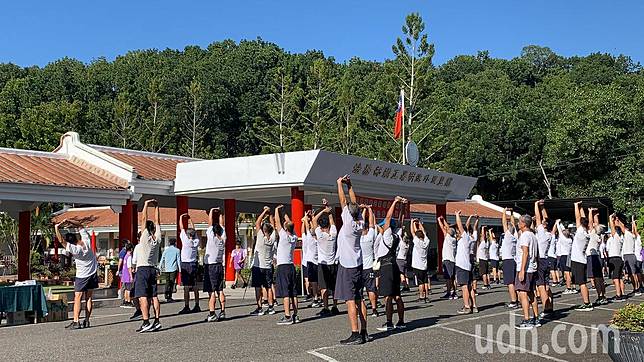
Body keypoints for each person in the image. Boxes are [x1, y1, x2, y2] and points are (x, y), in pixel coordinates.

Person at [334, 175, 369, 345]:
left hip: (347, 266)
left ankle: (355, 333)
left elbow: (343, 199)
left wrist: (340, 183)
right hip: (358, 264)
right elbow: (353, 201)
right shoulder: (360, 222)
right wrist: (350, 185)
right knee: (359, 298)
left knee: (350, 300)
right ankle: (364, 331)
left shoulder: (348, 222)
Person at [55, 219, 98, 330]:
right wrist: (69, 221)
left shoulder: (75, 249)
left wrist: (57, 227)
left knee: (78, 298)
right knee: (89, 298)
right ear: (77, 237)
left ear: (71, 242)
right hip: (92, 273)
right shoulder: (87, 241)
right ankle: (87, 320)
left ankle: (76, 321)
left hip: (82, 275)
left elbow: (61, 241)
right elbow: (81, 225)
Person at [376, 196, 407, 331]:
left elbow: (389, 219)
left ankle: (388, 322)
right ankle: (401, 321)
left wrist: (394, 202)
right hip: (394, 265)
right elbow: (400, 221)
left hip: (386, 266)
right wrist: (402, 206)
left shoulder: (387, 236)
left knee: (388, 296)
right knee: (397, 295)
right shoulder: (397, 235)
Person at [134, 199, 163, 332]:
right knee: (154, 296)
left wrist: (146, 205)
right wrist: (156, 207)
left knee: (143, 296)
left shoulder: (144, 237)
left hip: (143, 269)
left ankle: (146, 322)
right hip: (153, 268)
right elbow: (158, 222)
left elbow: (144, 218)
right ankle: (157, 320)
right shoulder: (157, 238)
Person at [274, 204, 299, 325]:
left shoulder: (284, 236)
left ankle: (287, 316)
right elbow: (289, 223)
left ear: (285, 227)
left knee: (285, 293)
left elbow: (277, 222)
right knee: (293, 292)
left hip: (283, 266)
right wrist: (283, 212)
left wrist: (276, 211)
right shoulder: (294, 237)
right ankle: (295, 315)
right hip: (291, 266)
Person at [250, 206, 277, 316]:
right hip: (268, 266)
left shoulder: (261, 237)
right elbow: (274, 226)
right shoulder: (273, 238)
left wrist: (265, 211)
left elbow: (257, 222)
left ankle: (259, 307)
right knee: (268, 287)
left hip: (258, 266)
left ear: (263, 230)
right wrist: (270, 214)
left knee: (258, 287)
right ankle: (271, 307)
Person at [514, 214, 540, 329]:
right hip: (532, 268)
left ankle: (527, 319)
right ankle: (535, 317)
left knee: (523, 294)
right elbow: (537, 254)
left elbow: (525, 252)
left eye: (519, 222)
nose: (518, 223)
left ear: (524, 224)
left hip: (525, 268)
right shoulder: (533, 236)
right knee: (531, 293)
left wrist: (522, 271)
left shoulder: (525, 236)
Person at [314, 204, 339, 317]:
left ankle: (325, 307)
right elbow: (332, 222)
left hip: (323, 264)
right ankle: (334, 306)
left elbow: (314, 220)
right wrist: (329, 212)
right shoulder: (333, 234)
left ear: (320, 225)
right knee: (334, 286)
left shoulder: (320, 235)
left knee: (324, 287)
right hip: (333, 263)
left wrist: (324, 210)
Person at [204, 208, 226, 322]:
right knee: (220, 290)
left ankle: (212, 313)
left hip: (211, 266)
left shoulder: (212, 239)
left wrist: (212, 211)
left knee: (211, 291)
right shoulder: (223, 239)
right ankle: (222, 311)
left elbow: (210, 224)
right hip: (219, 265)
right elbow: (221, 225)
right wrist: (221, 214)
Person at [571, 201, 593, 311]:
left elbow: (578, 217)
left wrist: (576, 206)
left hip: (578, 261)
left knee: (582, 283)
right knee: (582, 282)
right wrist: (581, 207)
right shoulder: (586, 233)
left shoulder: (580, 232)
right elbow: (582, 218)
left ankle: (587, 303)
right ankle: (586, 302)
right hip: (581, 259)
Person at [533, 200, 554, 317]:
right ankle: (550, 307)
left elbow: (538, 218)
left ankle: (546, 309)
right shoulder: (549, 234)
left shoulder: (542, 232)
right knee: (546, 286)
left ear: (545, 225)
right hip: (546, 260)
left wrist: (536, 205)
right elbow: (546, 218)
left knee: (541, 286)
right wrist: (543, 207)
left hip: (541, 260)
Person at [454, 210, 477, 314]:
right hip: (466, 265)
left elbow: (461, 226)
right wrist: (471, 217)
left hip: (462, 266)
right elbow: (466, 226)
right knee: (469, 286)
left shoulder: (464, 238)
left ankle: (467, 306)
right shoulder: (467, 238)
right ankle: (474, 306)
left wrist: (457, 215)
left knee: (464, 287)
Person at [178, 213, 201, 314]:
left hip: (186, 264)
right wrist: (191, 220)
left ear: (188, 235)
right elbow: (194, 230)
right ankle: (197, 304)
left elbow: (181, 227)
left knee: (186, 287)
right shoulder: (196, 241)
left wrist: (181, 217)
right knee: (195, 285)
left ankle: (187, 306)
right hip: (194, 264)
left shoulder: (185, 241)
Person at [360, 205, 379, 317]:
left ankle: (361, 309)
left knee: (360, 291)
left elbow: (361, 222)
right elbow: (371, 223)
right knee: (371, 289)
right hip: (369, 267)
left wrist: (363, 210)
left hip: (359, 267)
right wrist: (369, 209)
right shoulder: (370, 237)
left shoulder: (358, 238)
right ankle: (374, 309)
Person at [586, 208, 607, 305]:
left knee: (596, 278)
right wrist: (596, 215)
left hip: (592, 257)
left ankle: (600, 296)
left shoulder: (593, 234)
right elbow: (595, 223)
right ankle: (603, 296)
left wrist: (590, 212)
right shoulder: (599, 235)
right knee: (600, 278)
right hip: (597, 256)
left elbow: (590, 223)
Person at [302, 211, 321, 308]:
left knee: (313, 282)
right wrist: (313, 217)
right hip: (318, 262)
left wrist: (305, 218)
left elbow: (306, 227)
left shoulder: (310, 239)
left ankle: (316, 299)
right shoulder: (320, 239)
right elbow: (314, 228)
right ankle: (320, 298)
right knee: (319, 282)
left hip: (311, 263)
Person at [500, 208, 518, 308]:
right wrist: (511, 213)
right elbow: (513, 224)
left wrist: (504, 212)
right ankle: (517, 299)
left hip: (508, 260)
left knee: (510, 282)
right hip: (514, 260)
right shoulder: (515, 235)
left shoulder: (507, 236)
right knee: (514, 281)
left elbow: (504, 222)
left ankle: (514, 301)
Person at [619, 215, 640, 295]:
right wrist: (633, 221)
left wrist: (618, 219)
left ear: (627, 229)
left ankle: (637, 288)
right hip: (630, 255)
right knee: (632, 273)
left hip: (629, 255)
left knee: (632, 274)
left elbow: (622, 227)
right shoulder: (633, 235)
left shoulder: (628, 234)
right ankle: (636, 288)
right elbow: (634, 230)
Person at [438, 216, 458, 300]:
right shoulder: (454, 238)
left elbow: (444, 228)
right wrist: (444, 221)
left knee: (448, 277)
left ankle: (449, 293)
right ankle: (454, 292)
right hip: (453, 260)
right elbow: (447, 228)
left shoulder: (448, 238)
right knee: (453, 277)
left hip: (447, 259)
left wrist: (440, 220)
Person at [411, 219, 430, 302]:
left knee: (420, 282)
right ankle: (427, 296)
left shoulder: (417, 242)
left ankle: (422, 296)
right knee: (425, 281)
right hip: (424, 265)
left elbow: (412, 232)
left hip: (417, 265)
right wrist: (419, 223)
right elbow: (424, 232)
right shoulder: (426, 241)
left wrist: (412, 223)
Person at [607, 214, 625, 302]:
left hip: (614, 259)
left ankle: (618, 295)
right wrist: (617, 220)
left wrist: (611, 218)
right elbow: (618, 228)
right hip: (619, 259)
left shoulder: (616, 236)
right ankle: (622, 293)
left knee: (616, 278)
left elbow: (612, 228)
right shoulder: (621, 237)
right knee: (620, 277)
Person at [556, 219, 575, 295]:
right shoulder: (571, 238)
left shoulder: (563, 238)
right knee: (570, 272)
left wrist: (558, 222)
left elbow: (560, 230)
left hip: (564, 256)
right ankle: (573, 287)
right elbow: (564, 230)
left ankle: (568, 288)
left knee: (567, 273)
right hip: (570, 256)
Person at [159, 238, 181, 303]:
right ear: (175, 243)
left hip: (166, 269)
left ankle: (166, 295)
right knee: (171, 283)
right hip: (173, 269)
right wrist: (180, 269)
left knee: (167, 282)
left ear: (169, 243)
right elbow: (178, 260)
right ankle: (170, 296)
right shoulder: (177, 250)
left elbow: (162, 259)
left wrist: (160, 267)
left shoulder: (166, 250)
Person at [476, 225, 490, 290]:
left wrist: (482, 229)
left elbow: (483, 236)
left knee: (483, 273)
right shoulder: (487, 243)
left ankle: (485, 284)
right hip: (486, 259)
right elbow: (483, 236)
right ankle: (488, 284)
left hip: (482, 259)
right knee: (487, 273)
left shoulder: (483, 242)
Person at [120, 243, 134, 308]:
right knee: (128, 289)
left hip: (124, 274)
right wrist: (131, 276)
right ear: (131, 249)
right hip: (128, 275)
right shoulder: (129, 256)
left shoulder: (125, 256)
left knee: (126, 289)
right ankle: (128, 301)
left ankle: (125, 301)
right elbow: (129, 267)